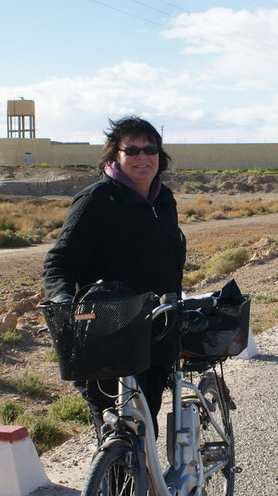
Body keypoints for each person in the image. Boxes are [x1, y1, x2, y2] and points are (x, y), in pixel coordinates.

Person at [43, 115, 186, 444]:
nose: (142, 157)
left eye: (150, 149)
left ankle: (144, 493)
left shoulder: (164, 201)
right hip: (107, 341)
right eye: (131, 150)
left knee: (144, 434)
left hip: (155, 337)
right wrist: (63, 302)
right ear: (113, 157)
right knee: (117, 439)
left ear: (160, 157)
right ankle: (117, 493)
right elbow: (59, 261)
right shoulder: (97, 200)